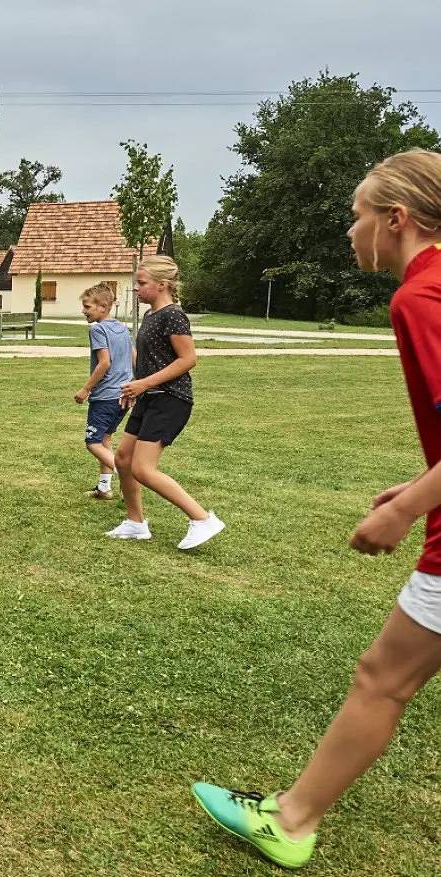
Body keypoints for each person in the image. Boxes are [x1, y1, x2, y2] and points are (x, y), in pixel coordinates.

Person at [193, 148, 441, 870]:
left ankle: (291, 819)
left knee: (381, 678)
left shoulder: (420, 298)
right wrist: (416, 485)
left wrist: (403, 514)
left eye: (357, 215)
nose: (348, 230)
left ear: (396, 221)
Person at [104, 255, 224, 549]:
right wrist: (134, 389)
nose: (136, 289)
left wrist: (144, 384)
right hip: (149, 398)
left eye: (141, 283)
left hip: (171, 399)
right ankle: (135, 523)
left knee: (143, 469)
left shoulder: (174, 316)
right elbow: (148, 362)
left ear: (162, 285)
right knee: (123, 459)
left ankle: (202, 519)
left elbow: (188, 359)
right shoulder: (150, 316)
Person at [73, 282, 133, 499]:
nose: (84, 311)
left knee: (92, 442)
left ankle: (127, 476)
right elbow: (133, 358)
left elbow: (104, 363)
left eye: (87, 306)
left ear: (103, 306)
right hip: (123, 396)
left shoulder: (98, 329)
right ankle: (104, 488)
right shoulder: (122, 328)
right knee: (105, 439)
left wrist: (85, 389)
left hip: (105, 396)